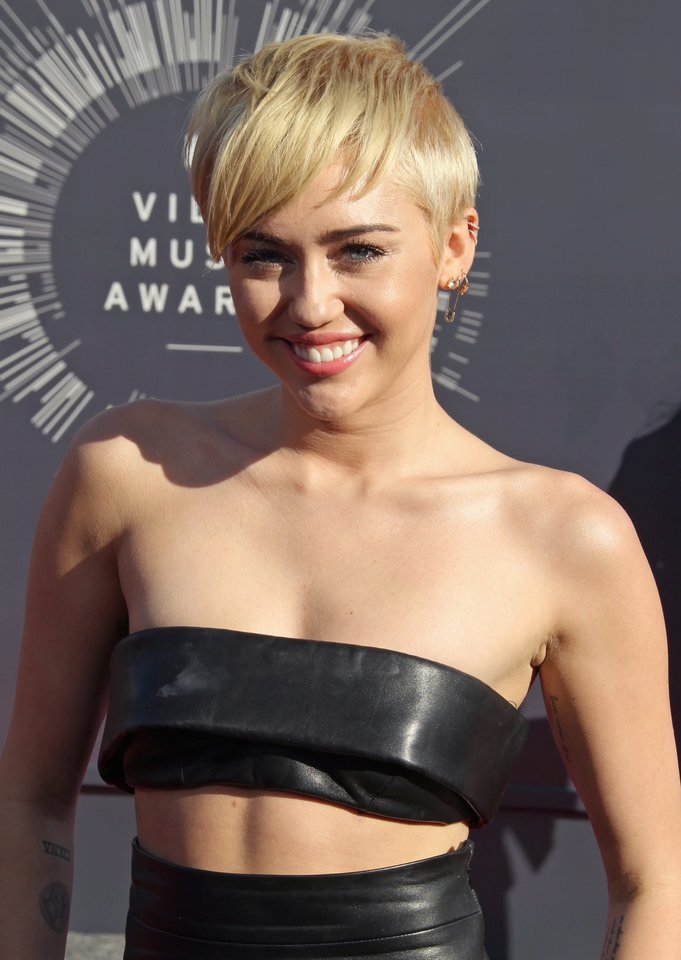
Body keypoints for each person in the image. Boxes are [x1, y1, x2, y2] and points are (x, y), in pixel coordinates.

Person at [0, 30, 680, 960]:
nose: (310, 302)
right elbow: (30, 801)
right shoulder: (126, 471)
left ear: (453, 246)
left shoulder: (561, 537)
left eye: (357, 250)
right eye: (263, 254)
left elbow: (654, 881)